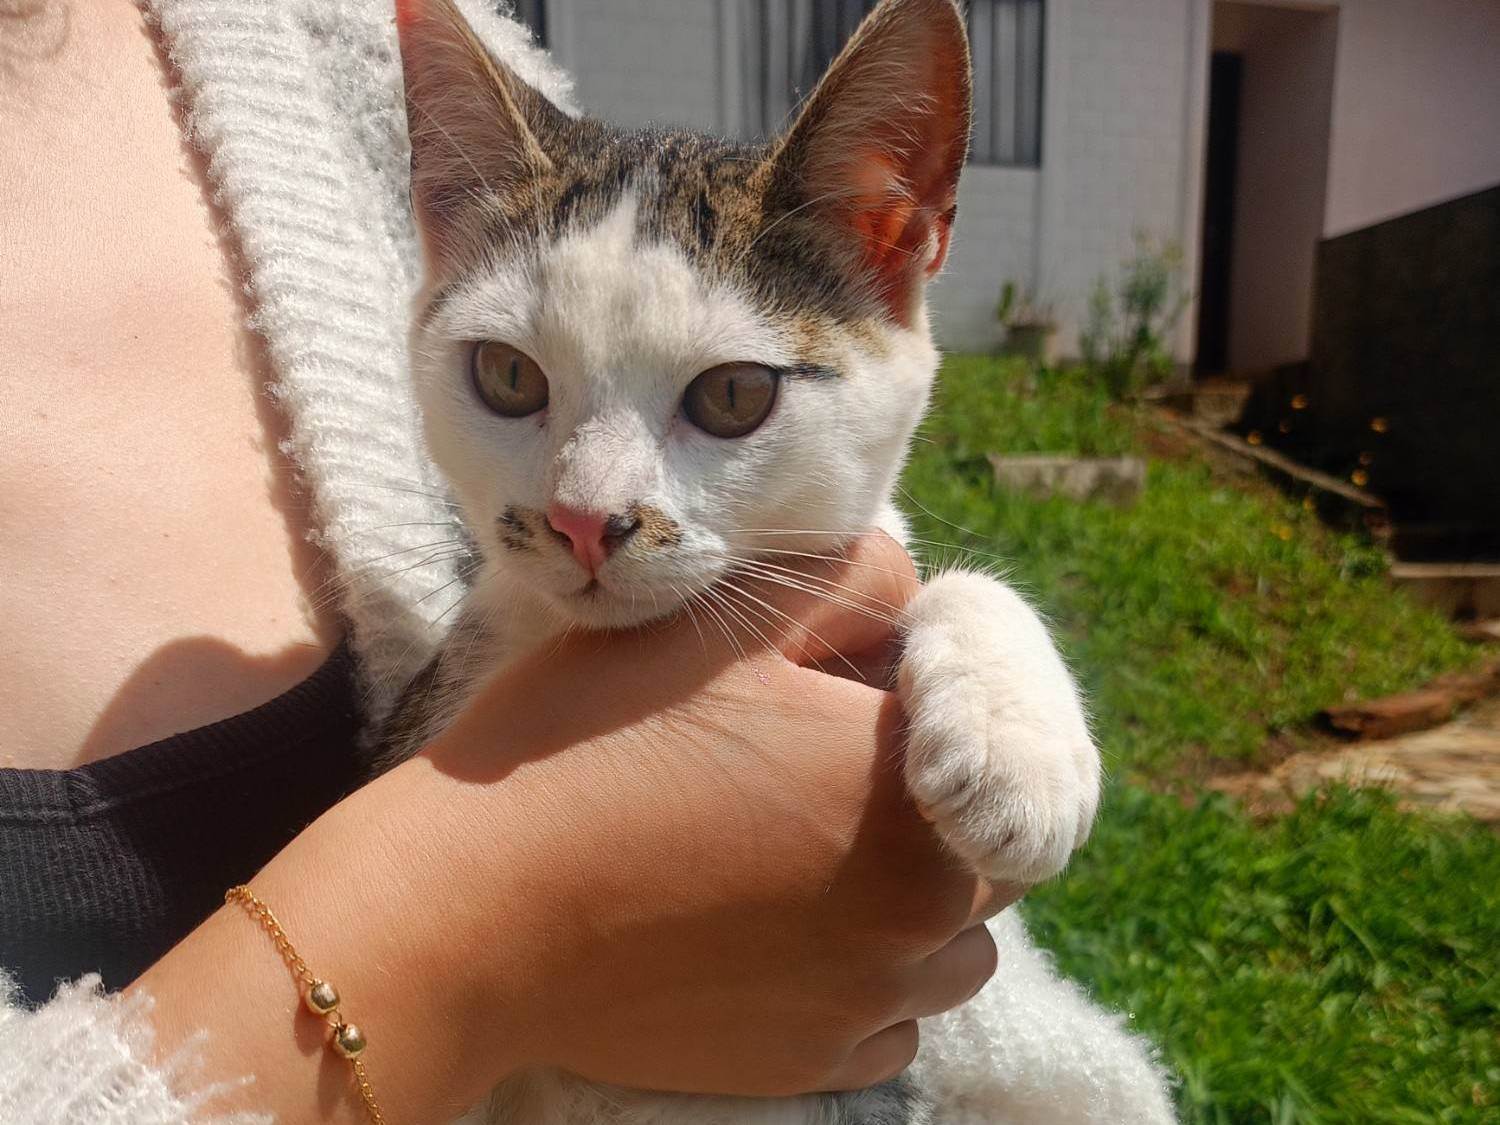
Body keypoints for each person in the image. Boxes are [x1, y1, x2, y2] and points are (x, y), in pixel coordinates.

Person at [0, 3, 1007, 1120]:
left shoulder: (337, 36)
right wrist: (491, 918)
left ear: (888, 245)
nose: (587, 510)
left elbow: (957, 989)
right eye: (512, 382)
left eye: (728, 395)